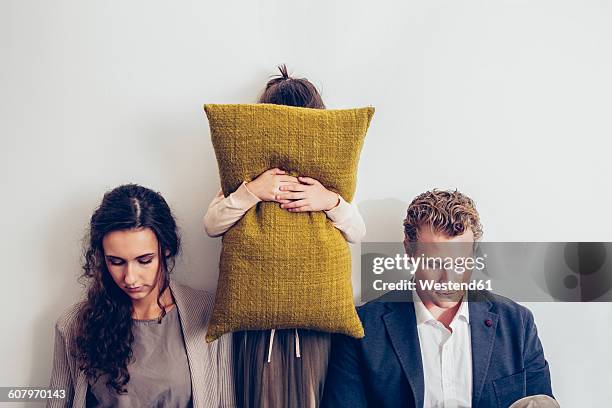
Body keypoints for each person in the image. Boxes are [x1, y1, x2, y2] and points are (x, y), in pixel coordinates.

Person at [203, 64, 366, 408]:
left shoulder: (327, 180)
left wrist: (329, 200)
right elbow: (212, 224)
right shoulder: (246, 173)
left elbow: (357, 231)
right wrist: (251, 192)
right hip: (258, 329)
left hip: (314, 329)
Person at [322, 189, 556, 408]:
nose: (449, 279)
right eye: (434, 263)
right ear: (409, 251)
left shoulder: (517, 323)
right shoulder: (362, 329)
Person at [48, 184, 235, 408]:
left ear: (165, 249)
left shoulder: (209, 315)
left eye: (144, 260)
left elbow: (226, 399)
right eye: (116, 262)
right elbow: (57, 401)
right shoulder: (73, 324)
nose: (130, 278)